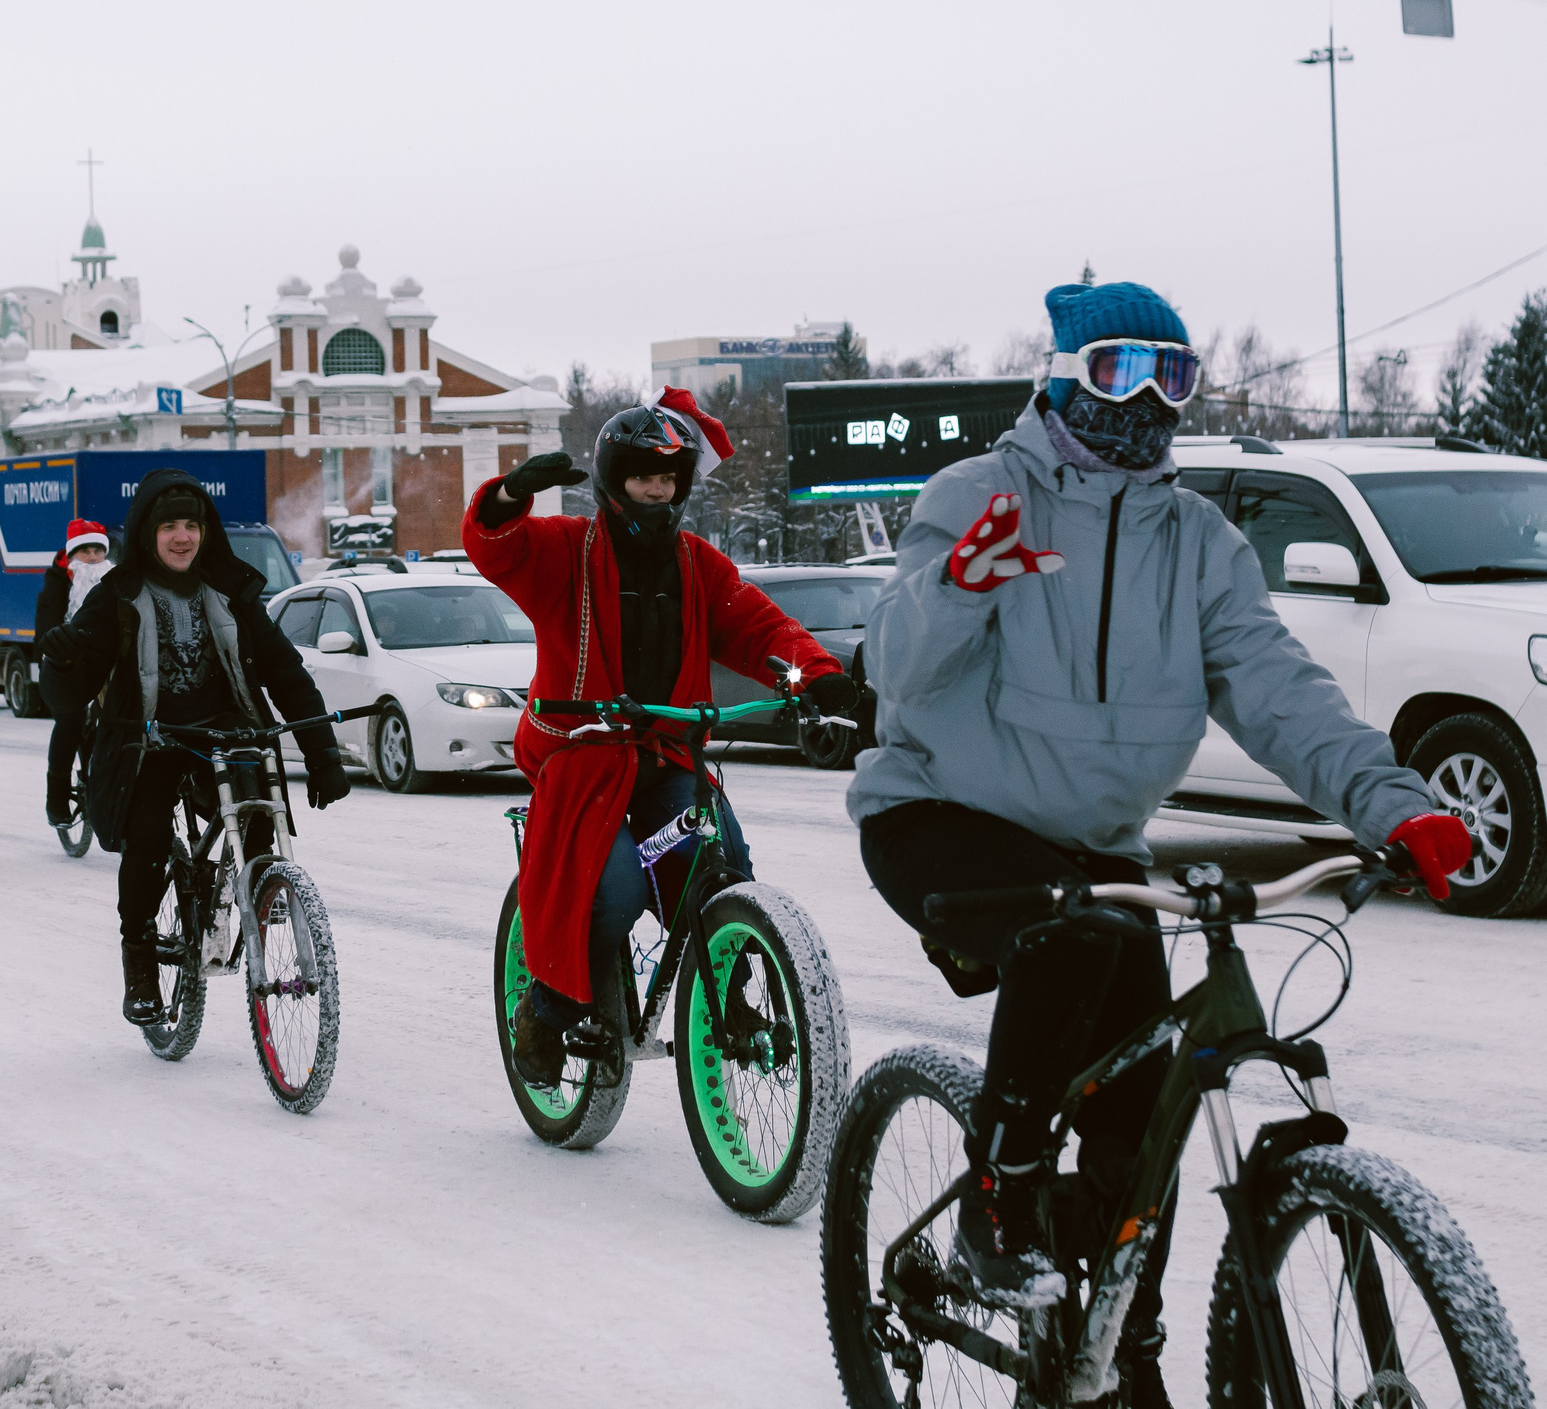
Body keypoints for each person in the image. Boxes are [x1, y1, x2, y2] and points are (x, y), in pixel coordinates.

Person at [850, 281, 1474, 1395]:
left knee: (1144, 1125)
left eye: (1169, 375)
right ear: (1060, 376)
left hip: (1091, 851)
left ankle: (1118, 1348)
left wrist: (1395, 803)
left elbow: (1280, 692)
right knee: (1071, 939)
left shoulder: (1198, 541)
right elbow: (890, 671)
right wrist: (956, 584)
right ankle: (994, 1200)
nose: (1142, 401)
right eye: (1114, 371)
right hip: (935, 813)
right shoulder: (979, 496)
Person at [461, 390, 858, 1087]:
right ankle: (545, 1006)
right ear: (615, 480)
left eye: (669, 478)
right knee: (608, 888)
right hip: (583, 755)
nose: (657, 489)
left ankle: (726, 996)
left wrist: (818, 679)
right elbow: (497, 551)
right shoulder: (567, 549)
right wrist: (509, 495)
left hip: (669, 754)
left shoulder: (699, 564)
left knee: (722, 859)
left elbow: (762, 629)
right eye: (644, 475)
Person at [44, 471, 352, 1027]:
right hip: (152, 741)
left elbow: (287, 673)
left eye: (192, 524)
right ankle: (139, 964)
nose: (183, 536)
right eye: (169, 527)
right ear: (147, 534)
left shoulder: (231, 592)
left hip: (227, 734)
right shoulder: (118, 596)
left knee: (258, 810)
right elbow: (71, 694)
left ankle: (249, 894)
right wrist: (63, 661)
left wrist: (323, 756)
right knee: (148, 839)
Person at [34, 519, 114, 828]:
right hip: (65, 670)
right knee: (70, 724)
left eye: (97, 551)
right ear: (70, 556)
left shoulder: (113, 582)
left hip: (106, 669)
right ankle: (56, 799)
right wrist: (59, 650)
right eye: (85, 552)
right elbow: (45, 631)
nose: (92, 558)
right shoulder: (57, 585)